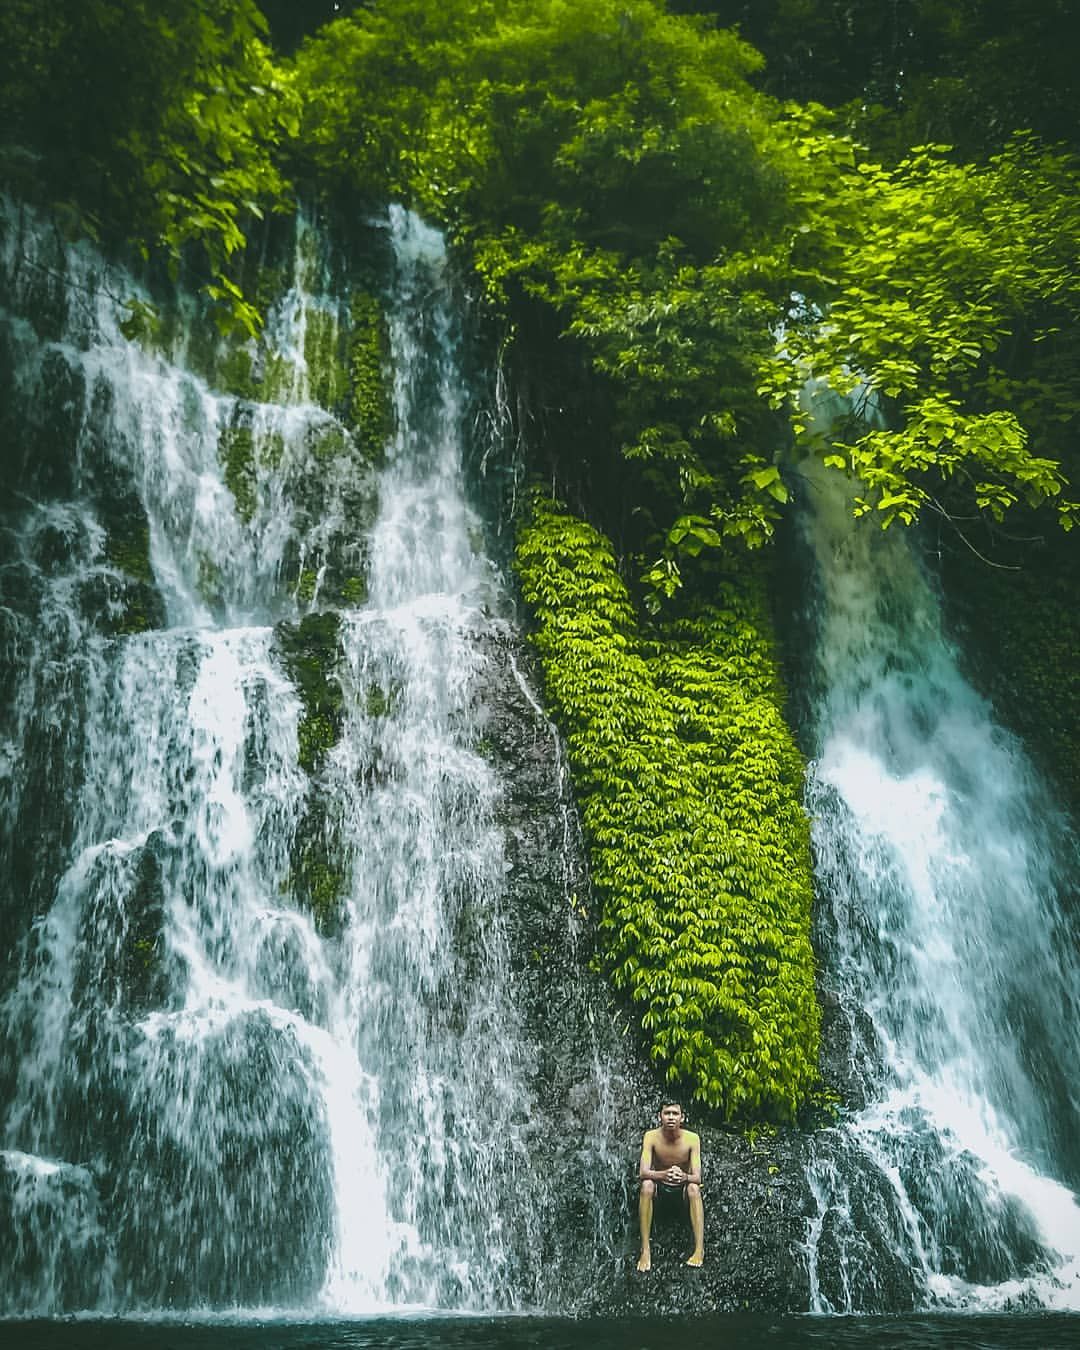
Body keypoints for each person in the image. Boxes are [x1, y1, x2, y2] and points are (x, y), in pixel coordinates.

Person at [636, 1100, 704, 1271]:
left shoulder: (692, 1139)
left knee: (694, 1188)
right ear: (660, 1117)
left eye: (675, 1113)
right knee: (646, 1185)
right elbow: (643, 1172)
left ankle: (699, 1249)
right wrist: (663, 1174)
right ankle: (645, 1250)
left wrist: (684, 1176)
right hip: (660, 1188)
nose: (671, 1117)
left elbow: (697, 1177)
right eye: (667, 1113)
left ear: (682, 1118)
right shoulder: (650, 1136)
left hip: (682, 1191)